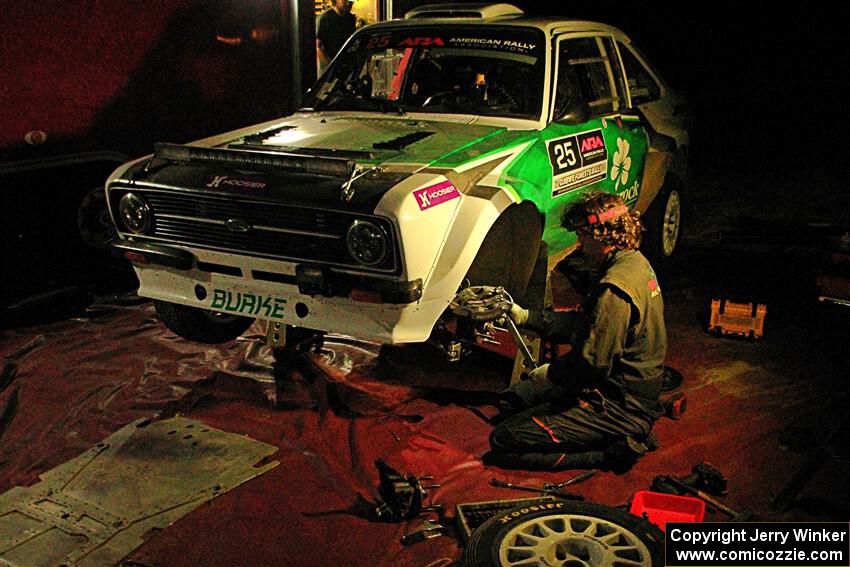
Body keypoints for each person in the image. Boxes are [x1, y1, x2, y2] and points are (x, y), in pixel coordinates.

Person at [485, 191, 667, 472]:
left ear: (603, 236)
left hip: (619, 404)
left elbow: (592, 365)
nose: (580, 244)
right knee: (513, 401)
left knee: (505, 440)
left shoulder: (614, 289)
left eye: (583, 236)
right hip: (624, 392)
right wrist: (526, 317)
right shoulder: (634, 263)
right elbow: (587, 324)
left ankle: (613, 452)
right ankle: (611, 433)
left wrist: (551, 374)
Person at [316, 0, 356, 73]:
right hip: (329, 68)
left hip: (346, 67)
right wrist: (332, 64)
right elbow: (318, 47)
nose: (348, 3)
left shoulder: (350, 18)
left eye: (350, 1)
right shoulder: (325, 19)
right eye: (344, 0)